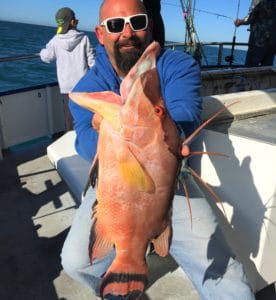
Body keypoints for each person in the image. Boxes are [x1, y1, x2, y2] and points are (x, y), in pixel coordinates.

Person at [62, 0, 255, 299]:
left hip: (169, 182)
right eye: (115, 25)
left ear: (149, 26)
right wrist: (110, 133)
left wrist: (166, 137)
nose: (128, 32)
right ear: (101, 35)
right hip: (111, 185)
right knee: (75, 262)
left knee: (224, 273)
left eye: (137, 22)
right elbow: (84, 142)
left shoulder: (178, 65)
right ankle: (124, 275)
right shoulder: (90, 84)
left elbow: (184, 112)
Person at [40, 7, 95, 130]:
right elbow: (92, 61)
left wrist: (42, 52)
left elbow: (47, 57)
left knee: (69, 115)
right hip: (83, 85)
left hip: (66, 87)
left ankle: (70, 138)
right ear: (72, 22)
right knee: (85, 115)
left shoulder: (56, 40)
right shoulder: (84, 38)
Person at [234, 0, 276, 67]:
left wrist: (240, 22)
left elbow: (250, 18)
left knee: (250, 69)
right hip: (272, 43)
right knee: (267, 70)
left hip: (258, 41)